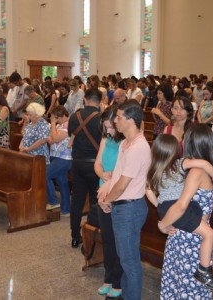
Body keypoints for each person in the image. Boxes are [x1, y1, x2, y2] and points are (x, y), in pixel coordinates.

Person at [146, 134, 213, 291]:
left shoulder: (155, 169)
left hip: (165, 208)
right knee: (209, 234)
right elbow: (204, 163)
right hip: (177, 209)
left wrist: (160, 207)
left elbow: (149, 191)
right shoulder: (180, 164)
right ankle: (204, 271)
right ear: (177, 150)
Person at [98, 100, 151, 300]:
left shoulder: (138, 147)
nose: (115, 120)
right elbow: (117, 176)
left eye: (119, 117)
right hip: (122, 207)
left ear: (130, 120)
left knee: (129, 262)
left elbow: (123, 185)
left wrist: (107, 200)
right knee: (124, 258)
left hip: (129, 209)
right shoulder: (125, 143)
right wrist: (106, 189)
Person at [94, 105, 123, 299]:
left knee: (117, 240)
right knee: (107, 239)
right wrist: (102, 174)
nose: (109, 131)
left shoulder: (126, 141)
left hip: (118, 194)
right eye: (106, 128)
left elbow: (123, 171)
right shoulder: (106, 138)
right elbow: (98, 162)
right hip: (102, 192)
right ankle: (108, 277)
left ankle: (118, 281)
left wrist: (110, 180)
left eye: (111, 127)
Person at [68, 88, 102, 248]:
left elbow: (71, 136)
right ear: (100, 102)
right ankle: (93, 237)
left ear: (85, 100)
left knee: (77, 200)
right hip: (95, 164)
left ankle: (75, 236)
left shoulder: (75, 117)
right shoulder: (102, 119)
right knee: (96, 201)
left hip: (77, 162)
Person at [46, 106, 72, 216]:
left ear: (59, 117)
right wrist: (53, 129)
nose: (53, 120)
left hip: (65, 158)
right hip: (57, 156)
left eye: (54, 118)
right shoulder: (60, 125)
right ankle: (66, 209)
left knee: (44, 174)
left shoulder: (68, 125)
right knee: (62, 183)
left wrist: (52, 124)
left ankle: (53, 201)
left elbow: (55, 139)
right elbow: (51, 140)